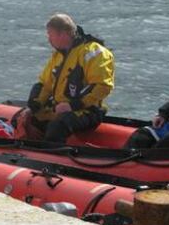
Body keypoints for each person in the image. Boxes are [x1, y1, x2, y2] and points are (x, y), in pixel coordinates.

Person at [18, 13, 115, 143]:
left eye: (50, 34)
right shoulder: (58, 55)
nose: (48, 39)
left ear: (62, 34)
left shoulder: (93, 53)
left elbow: (102, 86)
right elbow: (45, 84)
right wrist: (33, 107)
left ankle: (52, 158)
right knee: (22, 119)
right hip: (60, 107)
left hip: (87, 110)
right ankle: (34, 149)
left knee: (57, 126)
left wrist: (72, 105)